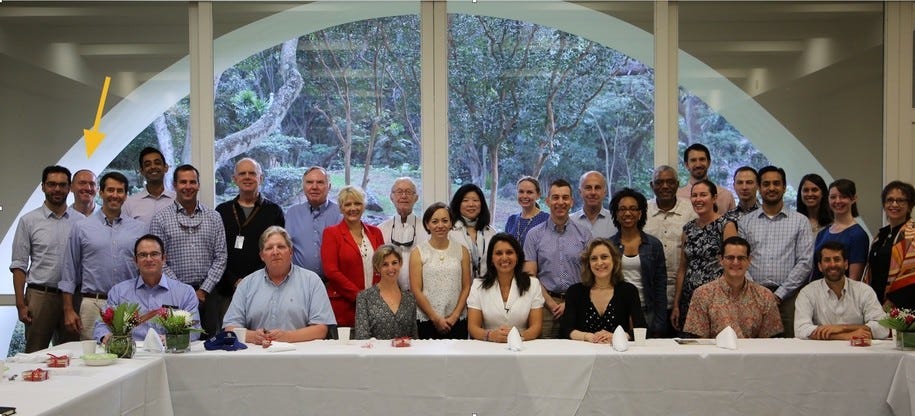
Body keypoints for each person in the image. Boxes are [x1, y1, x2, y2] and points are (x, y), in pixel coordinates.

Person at [60, 172, 148, 340]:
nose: (115, 195)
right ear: (101, 192)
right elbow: (69, 270)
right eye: (110, 190)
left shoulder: (139, 229)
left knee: (131, 351)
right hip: (94, 304)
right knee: (92, 353)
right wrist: (68, 309)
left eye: (120, 191)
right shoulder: (82, 227)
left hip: (129, 303)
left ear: (126, 195)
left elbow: (145, 269)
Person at [10, 166, 84, 352]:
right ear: (43, 187)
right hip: (40, 296)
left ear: (69, 188)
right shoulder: (28, 221)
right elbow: (19, 265)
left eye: (62, 185)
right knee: (34, 353)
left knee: (72, 354)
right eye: (52, 184)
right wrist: (20, 304)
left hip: (73, 297)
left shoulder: (82, 222)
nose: (57, 189)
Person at [150, 164, 227, 337]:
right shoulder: (160, 219)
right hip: (173, 294)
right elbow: (158, 259)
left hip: (208, 294)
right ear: (175, 185)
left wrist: (203, 290)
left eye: (192, 182)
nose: (188, 186)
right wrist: (183, 291)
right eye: (183, 182)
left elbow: (221, 256)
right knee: (175, 341)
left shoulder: (214, 217)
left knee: (210, 343)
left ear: (198, 185)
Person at [223, 226, 336, 344]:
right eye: (269, 248)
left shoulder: (312, 281)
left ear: (291, 252)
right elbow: (230, 328)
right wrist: (253, 336)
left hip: (299, 352)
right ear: (262, 256)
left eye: (281, 247)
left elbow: (320, 329)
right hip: (256, 351)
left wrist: (288, 337)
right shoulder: (246, 284)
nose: (275, 252)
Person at [739, 166, 813, 338]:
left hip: (788, 299)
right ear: (759, 187)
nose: (771, 188)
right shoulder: (745, 222)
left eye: (776, 183)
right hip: (752, 297)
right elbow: (741, 260)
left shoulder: (800, 221)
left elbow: (805, 262)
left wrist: (779, 295)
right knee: (752, 348)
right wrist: (758, 293)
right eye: (766, 184)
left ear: (784, 187)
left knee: (789, 348)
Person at [215, 158, 284, 329]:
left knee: (263, 336)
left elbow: (277, 253)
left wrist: (252, 281)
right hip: (228, 289)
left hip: (264, 288)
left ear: (261, 178)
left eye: (252, 173)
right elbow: (215, 252)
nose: (247, 177)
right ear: (234, 179)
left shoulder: (273, 211)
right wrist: (234, 281)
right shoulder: (221, 211)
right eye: (242, 173)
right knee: (229, 337)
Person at [93, 234, 200, 343]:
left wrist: (171, 339)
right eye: (143, 255)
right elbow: (101, 324)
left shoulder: (185, 292)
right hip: (130, 350)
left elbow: (195, 328)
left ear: (163, 259)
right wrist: (105, 337)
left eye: (154, 254)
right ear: (135, 261)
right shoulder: (119, 292)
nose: (148, 259)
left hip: (169, 350)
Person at [524, 179, 593, 338]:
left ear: (571, 202)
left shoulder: (584, 234)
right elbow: (530, 275)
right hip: (544, 306)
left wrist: (569, 303)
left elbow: (590, 273)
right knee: (544, 350)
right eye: (555, 197)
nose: (560, 202)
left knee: (579, 349)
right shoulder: (534, 235)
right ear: (547, 201)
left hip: (578, 303)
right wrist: (551, 303)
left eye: (565, 197)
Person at [683, 236, 783, 338]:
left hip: (755, 349)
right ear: (720, 260)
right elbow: (699, 342)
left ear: (749, 261)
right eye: (730, 258)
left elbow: (769, 342)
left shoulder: (765, 296)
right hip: (715, 348)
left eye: (741, 258)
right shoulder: (703, 295)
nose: (735, 262)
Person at [671, 180, 738, 331]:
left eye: (703, 195)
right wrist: (676, 304)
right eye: (694, 195)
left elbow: (733, 265)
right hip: (690, 298)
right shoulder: (688, 228)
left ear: (714, 198)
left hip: (718, 298)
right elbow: (682, 268)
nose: (698, 199)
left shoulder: (726, 225)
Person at [795, 241, 888, 340]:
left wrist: (842, 328)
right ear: (820, 266)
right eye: (827, 260)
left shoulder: (864, 291)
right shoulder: (807, 293)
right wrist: (845, 336)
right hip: (823, 349)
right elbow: (801, 329)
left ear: (846, 264)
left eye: (837, 259)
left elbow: (883, 328)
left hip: (858, 349)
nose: (832, 264)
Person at [643, 165, 697, 337]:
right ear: (652, 185)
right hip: (650, 294)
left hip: (684, 294)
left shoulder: (691, 212)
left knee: (682, 345)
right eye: (659, 182)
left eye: (670, 182)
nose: (665, 186)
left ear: (677, 184)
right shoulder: (642, 211)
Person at [321, 185, 384, 327]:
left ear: (364, 206)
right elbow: (331, 271)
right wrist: (360, 297)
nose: (353, 208)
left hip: (375, 305)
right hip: (345, 306)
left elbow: (383, 267)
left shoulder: (376, 233)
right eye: (348, 204)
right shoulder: (331, 234)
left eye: (357, 203)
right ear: (341, 208)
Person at [560, 239, 646, 343]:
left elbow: (642, 329)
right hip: (584, 350)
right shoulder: (574, 292)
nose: (599, 263)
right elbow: (565, 329)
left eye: (604, 257)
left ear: (614, 260)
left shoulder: (628, 291)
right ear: (588, 264)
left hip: (617, 350)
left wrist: (617, 336)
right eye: (594, 259)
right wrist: (588, 337)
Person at [608, 188, 667, 337]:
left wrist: (659, 322)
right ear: (616, 214)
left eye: (633, 208)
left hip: (647, 310)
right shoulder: (609, 245)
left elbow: (660, 285)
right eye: (622, 209)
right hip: (617, 310)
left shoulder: (654, 245)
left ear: (640, 213)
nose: (628, 213)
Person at [467, 233, 544, 342]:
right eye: (498, 253)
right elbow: (473, 327)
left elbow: (536, 327)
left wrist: (515, 337)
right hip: (489, 345)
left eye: (509, 252)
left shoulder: (533, 284)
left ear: (517, 256)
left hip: (522, 344)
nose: (504, 257)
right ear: (491, 259)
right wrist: (491, 335)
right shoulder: (477, 285)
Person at [411, 202, 471, 339]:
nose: (440, 225)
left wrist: (455, 316)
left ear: (451, 223)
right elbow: (416, 290)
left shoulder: (462, 251)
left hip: (457, 320)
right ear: (427, 224)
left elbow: (466, 286)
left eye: (445, 221)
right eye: (434, 221)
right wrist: (435, 318)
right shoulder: (418, 252)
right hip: (427, 320)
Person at [286, 166, 343, 279]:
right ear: (303, 187)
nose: (314, 187)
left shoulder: (341, 214)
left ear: (329, 187)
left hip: (333, 283)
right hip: (299, 282)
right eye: (309, 182)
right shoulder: (292, 213)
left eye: (320, 182)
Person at [864, 181, 915, 303]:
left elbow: (911, 277)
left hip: (901, 304)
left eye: (900, 200)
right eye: (890, 200)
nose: (894, 204)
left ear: (909, 205)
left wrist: (889, 306)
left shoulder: (912, 235)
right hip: (875, 302)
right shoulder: (881, 235)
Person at [354, 245, 417, 340]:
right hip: (374, 350)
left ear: (400, 264)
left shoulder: (410, 298)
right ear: (377, 267)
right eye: (385, 264)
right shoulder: (364, 297)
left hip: (404, 350)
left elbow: (414, 338)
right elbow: (362, 337)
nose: (391, 268)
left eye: (394, 263)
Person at [811, 179, 869, 281]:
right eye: (833, 197)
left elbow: (854, 280)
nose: (837, 201)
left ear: (854, 199)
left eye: (843, 197)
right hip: (818, 289)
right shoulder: (822, 233)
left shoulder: (858, 235)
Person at [378, 177, 428, 290]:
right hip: (390, 293)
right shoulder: (381, 230)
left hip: (421, 293)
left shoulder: (427, 229)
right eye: (399, 192)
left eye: (408, 192)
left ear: (416, 198)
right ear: (391, 197)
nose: (404, 196)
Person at [449, 183, 496, 279]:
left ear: (481, 204)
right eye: (465, 200)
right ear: (458, 204)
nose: (471, 204)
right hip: (458, 284)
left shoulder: (491, 232)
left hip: (486, 284)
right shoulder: (449, 232)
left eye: (475, 200)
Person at [676, 143, 736, 213]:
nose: (698, 165)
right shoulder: (677, 196)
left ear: (709, 163)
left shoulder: (726, 196)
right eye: (693, 160)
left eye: (702, 159)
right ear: (686, 165)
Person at [122, 147, 175, 224]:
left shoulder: (177, 200)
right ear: (141, 171)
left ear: (165, 167)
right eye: (147, 164)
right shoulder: (129, 204)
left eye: (157, 163)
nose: (153, 167)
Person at [504, 176, 549, 248]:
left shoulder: (546, 220)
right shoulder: (511, 220)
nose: (524, 196)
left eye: (529, 192)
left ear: (538, 195)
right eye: (521, 192)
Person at [571, 171, 618, 239]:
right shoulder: (569, 221)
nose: (593, 192)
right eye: (588, 188)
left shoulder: (616, 221)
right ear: (580, 192)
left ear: (604, 192)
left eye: (597, 188)